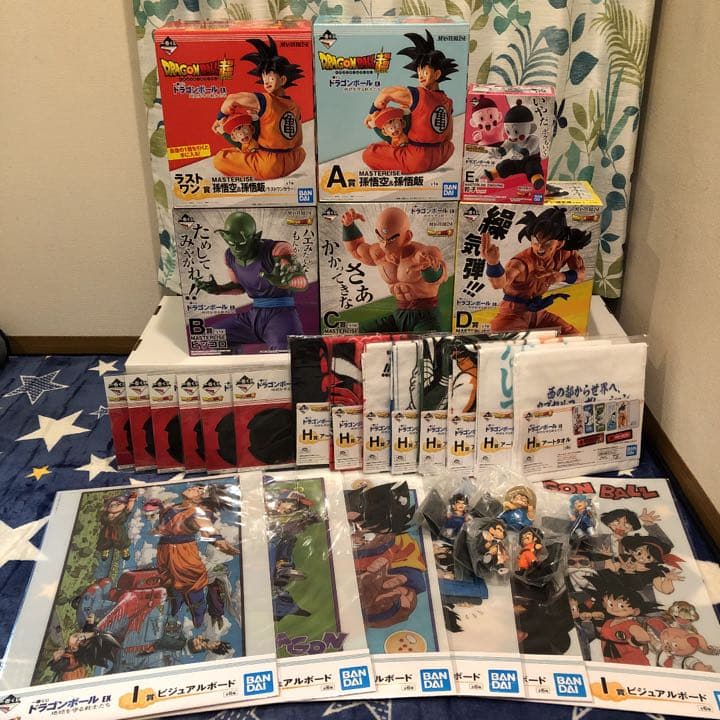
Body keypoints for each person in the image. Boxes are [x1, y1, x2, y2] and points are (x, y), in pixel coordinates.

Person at [194, 211, 308, 351]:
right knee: (212, 337)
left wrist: (286, 281)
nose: (236, 248)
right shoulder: (229, 256)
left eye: (241, 243)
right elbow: (240, 287)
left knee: (288, 352)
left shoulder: (277, 250)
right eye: (231, 243)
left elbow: (301, 281)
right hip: (253, 316)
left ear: (255, 238)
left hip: (281, 315)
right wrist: (218, 289)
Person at [480, 207, 591, 334]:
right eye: (536, 241)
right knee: (496, 340)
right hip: (513, 315)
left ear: (559, 244)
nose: (540, 248)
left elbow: (581, 275)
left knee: (574, 335)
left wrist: (561, 276)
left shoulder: (564, 253)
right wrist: (493, 263)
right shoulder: (521, 263)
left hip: (540, 314)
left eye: (547, 243)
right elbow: (499, 284)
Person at [363, 30, 457, 173]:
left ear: (437, 74)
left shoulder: (420, 95)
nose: (421, 77)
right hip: (442, 154)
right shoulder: (448, 101)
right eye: (419, 73)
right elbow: (448, 136)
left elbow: (386, 93)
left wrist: (372, 113)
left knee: (370, 152)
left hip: (417, 158)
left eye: (425, 72)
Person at [212, 36, 305, 180]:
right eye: (264, 78)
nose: (266, 82)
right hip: (296, 158)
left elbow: (232, 99)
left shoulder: (265, 100)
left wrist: (220, 118)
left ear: (282, 80)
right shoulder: (294, 105)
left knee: (220, 158)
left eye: (270, 78)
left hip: (270, 165)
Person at [340, 206, 447, 332]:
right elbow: (356, 249)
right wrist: (349, 227)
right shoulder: (379, 253)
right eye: (380, 238)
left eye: (391, 239)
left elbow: (438, 277)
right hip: (399, 315)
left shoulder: (423, 254)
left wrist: (429, 268)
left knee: (427, 343)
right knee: (358, 335)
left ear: (407, 237)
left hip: (426, 317)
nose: (385, 244)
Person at [149, 485, 240, 629]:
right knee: (169, 580)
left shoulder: (197, 513)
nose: (194, 488)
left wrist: (226, 546)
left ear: (200, 499)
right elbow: (161, 527)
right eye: (196, 487)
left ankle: (198, 612)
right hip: (164, 551)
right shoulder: (173, 507)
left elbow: (209, 532)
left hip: (183, 553)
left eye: (199, 490)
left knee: (192, 583)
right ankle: (176, 602)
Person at [96, 492, 138, 561]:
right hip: (107, 530)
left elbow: (129, 507)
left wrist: (132, 499)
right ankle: (105, 550)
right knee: (105, 541)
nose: (114, 506)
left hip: (119, 530)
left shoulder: (123, 512)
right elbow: (102, 519)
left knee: (122, 541)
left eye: (118, 504)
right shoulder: (106, 513)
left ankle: (124, 550)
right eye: (111, 505)